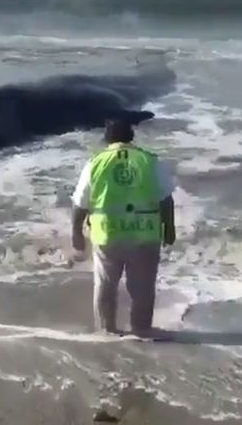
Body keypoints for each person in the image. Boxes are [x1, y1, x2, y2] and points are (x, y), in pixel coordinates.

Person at [71, 119, 176, 337]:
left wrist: (76, 233)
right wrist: (169, 228)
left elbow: (80, 203)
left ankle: (106, 330)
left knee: (105, 286)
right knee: (142, 289)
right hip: (145, 234)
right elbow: (166, 199)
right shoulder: (149, 161)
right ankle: (141, 330)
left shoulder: (96, 163)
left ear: (107, 139)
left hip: (108, 234)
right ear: (131, 137)